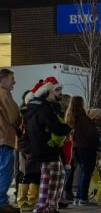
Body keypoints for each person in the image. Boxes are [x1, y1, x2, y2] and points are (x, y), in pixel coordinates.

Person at [26, 77, 71, 212]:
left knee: (53, 177)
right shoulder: (44, 107)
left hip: (41, 148)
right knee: (52, 178)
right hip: (47, 148)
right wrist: (68, 128)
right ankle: (45, 207)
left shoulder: (33, 107)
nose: (56, 93)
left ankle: (49, 206)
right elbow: (55, 126)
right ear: (46, 93)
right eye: (53, 91)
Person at [64, 96, 98, 206]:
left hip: (76, 147)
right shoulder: (83, 118)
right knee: (87, 172)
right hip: (86, 147)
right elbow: (91, 133)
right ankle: (83, 197)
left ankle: (79, 197)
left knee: (83, 172)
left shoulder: (70, 116)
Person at [16, 89, 41, 212]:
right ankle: (24, 202)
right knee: (27, 173)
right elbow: (21, 132)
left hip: (31, 146)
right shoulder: (24, 114)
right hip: (27, 147)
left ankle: (31, 201)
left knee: (34, 174)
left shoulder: (29, 113)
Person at [0, 69, 21, 213]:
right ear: (4, 79)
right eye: (12, 78)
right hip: (5, 138)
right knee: (5, 172)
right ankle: (1, 202)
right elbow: (14, 117)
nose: (14, 81)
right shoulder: (4, 93)